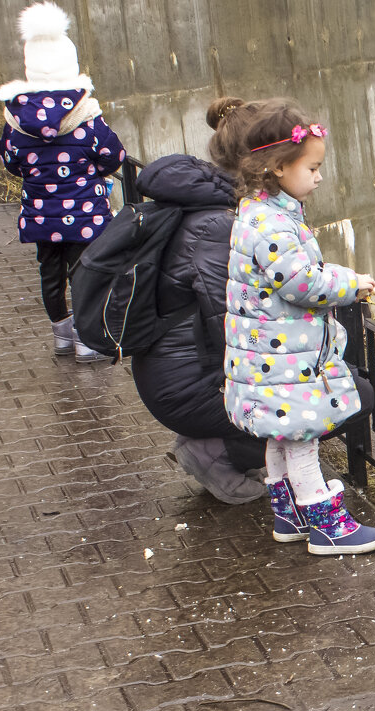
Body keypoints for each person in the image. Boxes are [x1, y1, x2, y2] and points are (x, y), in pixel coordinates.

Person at [222, 98, 375, 555]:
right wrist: (352, 284)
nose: (318, 177)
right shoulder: (273, 222)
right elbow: (300, 282)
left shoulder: (257, 211)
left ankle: (288, 515)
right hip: (283, 359)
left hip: (268, 356)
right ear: (277, 166)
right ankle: (326, 523)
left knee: (282, 433)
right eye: (312, 167)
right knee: (301, 435)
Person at [130, 98, 267, 504]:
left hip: (171, 371)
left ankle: (229, 444)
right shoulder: (218, 224)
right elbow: (227, 322)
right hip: (183, 385)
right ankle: (212, 451)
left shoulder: (207, 203)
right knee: (344, 397)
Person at [0, 1, 125, 362]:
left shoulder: (15, 119)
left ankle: (62, 338)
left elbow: (10, 161)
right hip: (85, 215)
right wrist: (91, 171)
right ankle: (87, 340)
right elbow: (114, 157)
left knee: (49, 275)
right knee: (85, 275)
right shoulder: (86, 116)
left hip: (39, 214)